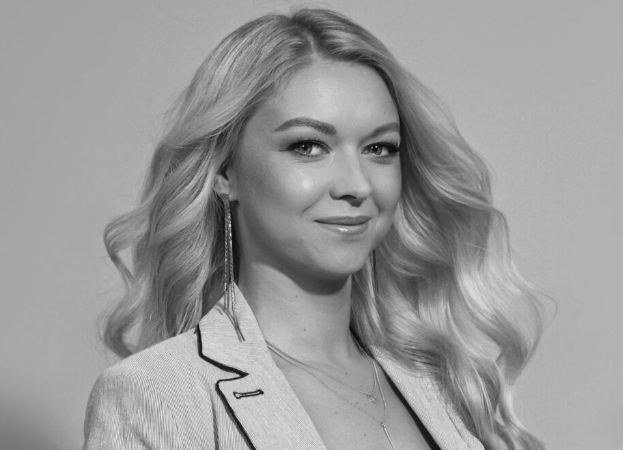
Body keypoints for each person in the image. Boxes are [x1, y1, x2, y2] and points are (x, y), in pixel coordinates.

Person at [83, 8, 545, 450]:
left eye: (380, 148)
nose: (357, 185)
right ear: (224, 172)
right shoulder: (157, 395)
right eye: (308, 146)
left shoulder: (450, 386)